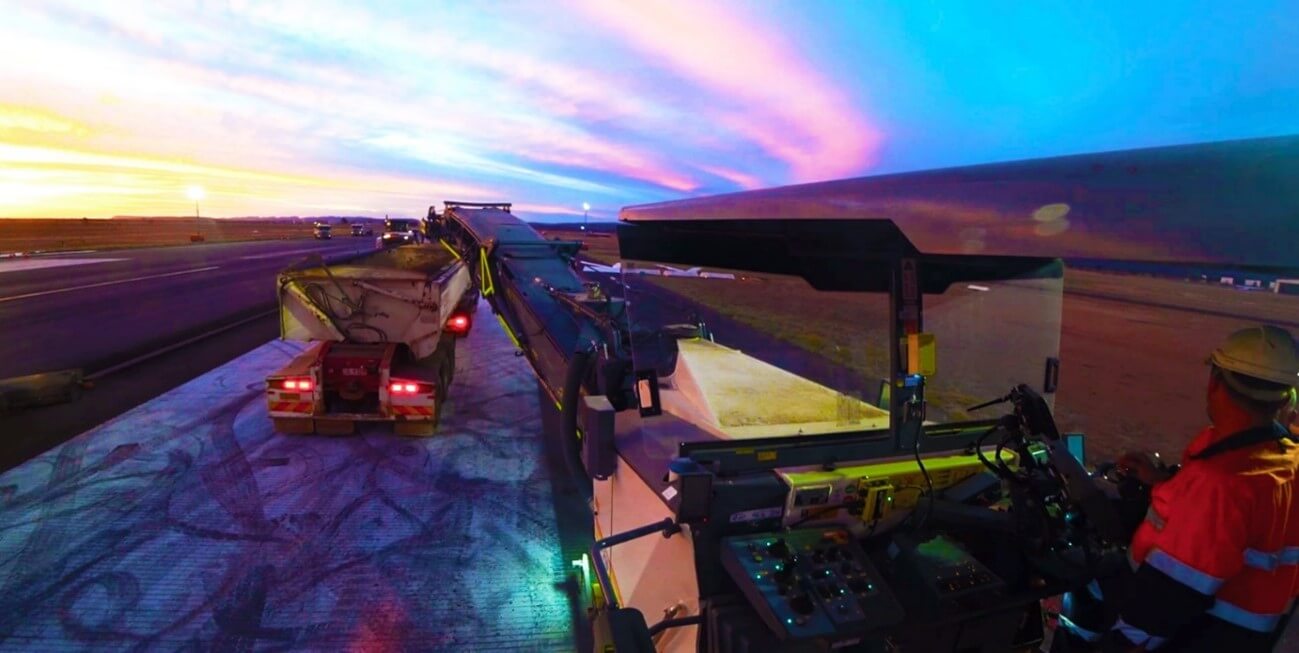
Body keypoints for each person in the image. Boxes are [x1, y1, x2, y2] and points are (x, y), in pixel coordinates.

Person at [1056, 325, 1299, 652]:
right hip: (1242, 633)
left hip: (1196, 634)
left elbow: (1166, 601)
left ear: (1215, 381)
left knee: (1086, 591)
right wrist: (1163, 481)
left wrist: (1116, 644)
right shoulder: (1284, 459)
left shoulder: (1218, 485)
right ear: (1284, 396)